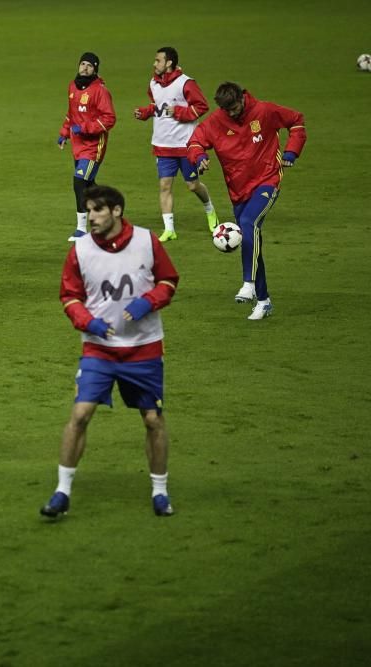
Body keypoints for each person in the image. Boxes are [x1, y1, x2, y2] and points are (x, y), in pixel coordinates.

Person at [40, 185, 180, 520]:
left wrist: (149, 301)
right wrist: (88, 322)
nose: (91, 218)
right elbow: (69, 296)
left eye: (97, 211)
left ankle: (160, 492)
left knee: (152, 420)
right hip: (99, 350)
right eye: (88, 211)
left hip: (143, 349)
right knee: (80, 414)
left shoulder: (147, 241)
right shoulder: (81, 250)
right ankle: (62, 491)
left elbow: (169, 281)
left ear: (116, 211)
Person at [187, 83, 306, 320]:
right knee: (253, 242)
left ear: (242, 97)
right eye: (226, 110)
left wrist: (292, 152)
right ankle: (264, 301)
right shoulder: (216, 121)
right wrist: (199, 157)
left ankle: (248, 283)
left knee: (249, 223)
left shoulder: (264, 111)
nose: (231, 113)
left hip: (267, 181)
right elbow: (194, 141)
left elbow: (297, 121)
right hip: (238, 190)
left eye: (234, 107)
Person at [133, 47, 220, 242]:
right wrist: (145, 113)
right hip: (162, 145)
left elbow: (201, 106)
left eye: (158, 60)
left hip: (185, 145)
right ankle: (169, 229)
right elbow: (158, 105)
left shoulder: (185, 83)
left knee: (192, 185)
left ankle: (209, 210)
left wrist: (180, 113)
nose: (154, 64)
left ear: (169, 63)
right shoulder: (153, 83)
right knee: (165, 185)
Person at [58, 52, 116, 242]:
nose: (85, 68)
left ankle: (82, 229)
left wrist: (84, 128)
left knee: (79, 181)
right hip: (77, 145)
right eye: (82, 64)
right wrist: (64, 132)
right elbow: (71, 113)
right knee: (88, 184)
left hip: (93, 146)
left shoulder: (100, 91)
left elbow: (109, 118)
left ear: (95, 69)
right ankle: (110, 204)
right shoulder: (72, 86)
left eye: (89, 66)